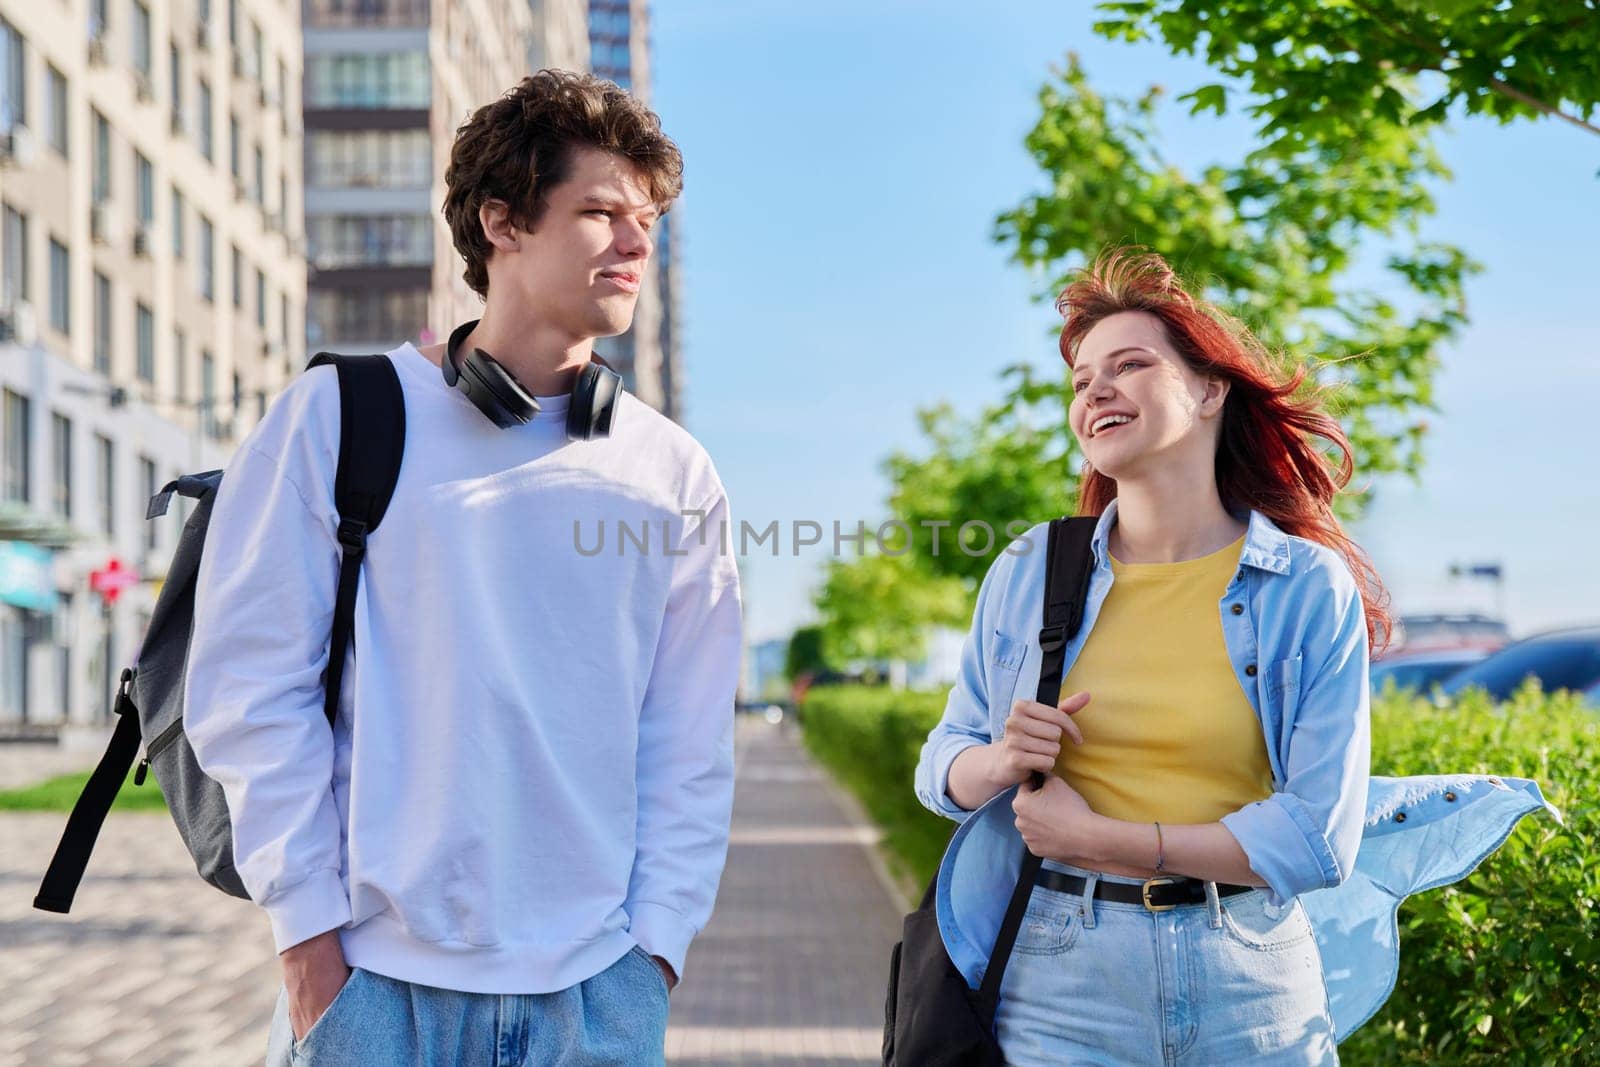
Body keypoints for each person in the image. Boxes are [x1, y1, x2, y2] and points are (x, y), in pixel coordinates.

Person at [185, 70, 742, 1066]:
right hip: (374, 994)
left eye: (647, 218)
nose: (634, 242)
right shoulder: (338, 418)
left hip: (596, 997)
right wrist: (311, 946)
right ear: (504, 223)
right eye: (600, 211)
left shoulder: (673, 469)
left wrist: (652, 955)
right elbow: (249, 692)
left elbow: (689, 738)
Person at [916, 246, 1382, 1063]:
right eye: (1081, 379)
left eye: (1129, 365)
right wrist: (998, 760)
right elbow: (940, 766)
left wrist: (1117, 841)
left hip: (1256, 985)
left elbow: (1318, 839)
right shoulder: (1031, 570)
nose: (1095, 389)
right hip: (1061, 981)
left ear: (1209, 389)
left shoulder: (1305, 585)